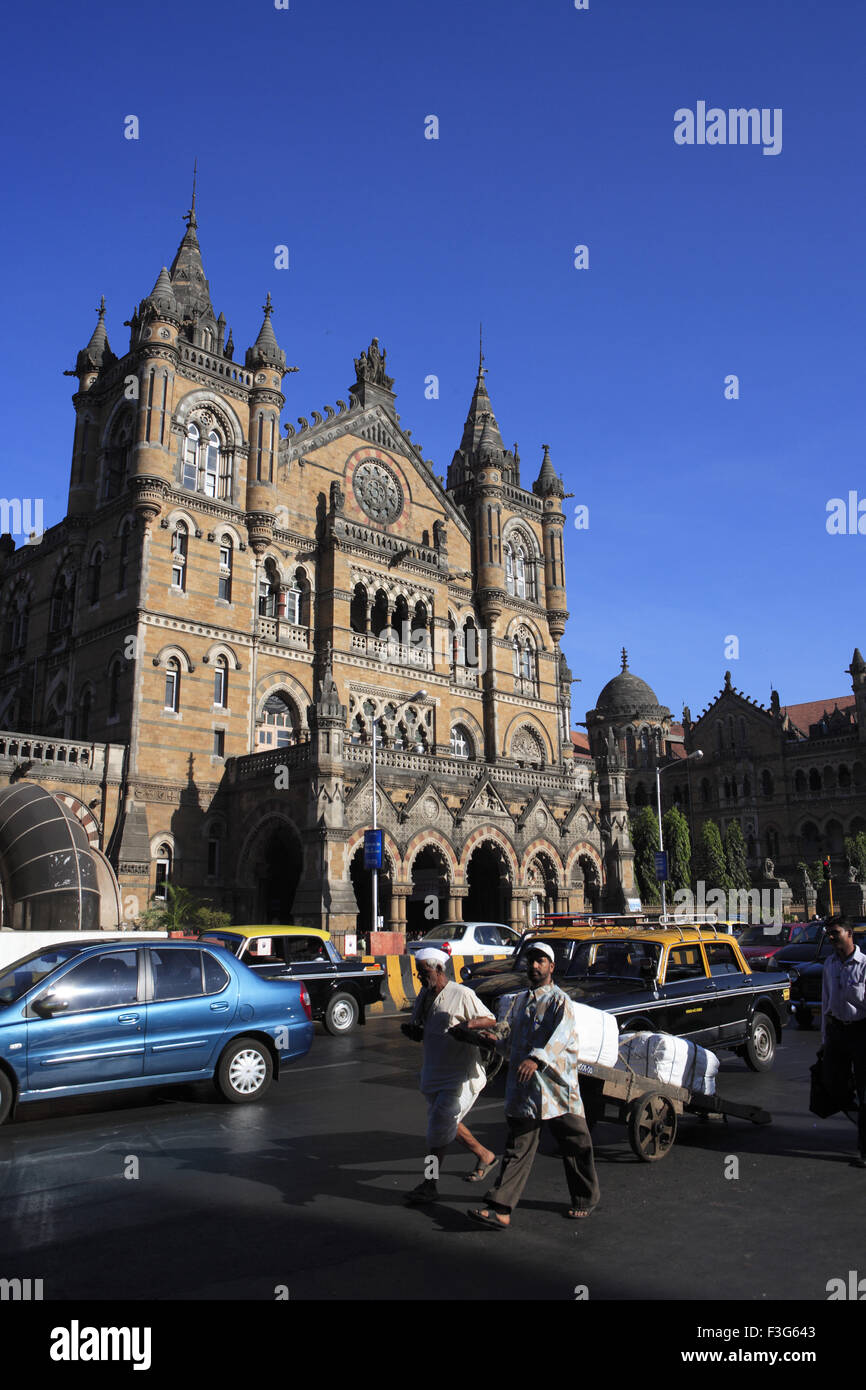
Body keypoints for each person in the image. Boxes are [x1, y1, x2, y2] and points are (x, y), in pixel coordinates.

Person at [464, 942, 600, 1228]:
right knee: (518, 1146)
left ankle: (585, 1197)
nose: (534, 966)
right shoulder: (521, 1002)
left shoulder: (559, 1001)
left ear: (552, 967)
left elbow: (561, 1037)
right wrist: (490, 1042)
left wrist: (537, 1060)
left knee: (576, 1143)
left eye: (541, 961)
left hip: (557, 1090)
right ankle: (501, 1208)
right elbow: (512, 1044)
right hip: (527, 1091)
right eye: (531, 961)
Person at [402, 948, 497, 1204]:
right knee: (444, 1124)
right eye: (419, 973)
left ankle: (429, 1183)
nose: (421, 977)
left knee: (437, 1129)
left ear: (440, 970)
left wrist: (468, 1025)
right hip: (433, 1072)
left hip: (460, 1077)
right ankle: (485, 1155)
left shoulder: (462, 994)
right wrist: (414, 1032)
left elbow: (490, 1019)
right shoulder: (424, 995)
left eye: (425, 972)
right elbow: (425, 1028)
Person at [821, 916, 866, 1167]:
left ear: (849, 934)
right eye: (828, 933)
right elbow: (826, 1001)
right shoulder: (829, 964)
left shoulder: (864, 966)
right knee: (832, 1083)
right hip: (837, 1031)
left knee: (865, 1091)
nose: (831, 937)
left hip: (861, 1031)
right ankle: (861, 1119)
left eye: (835, 933)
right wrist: (825, 1039)